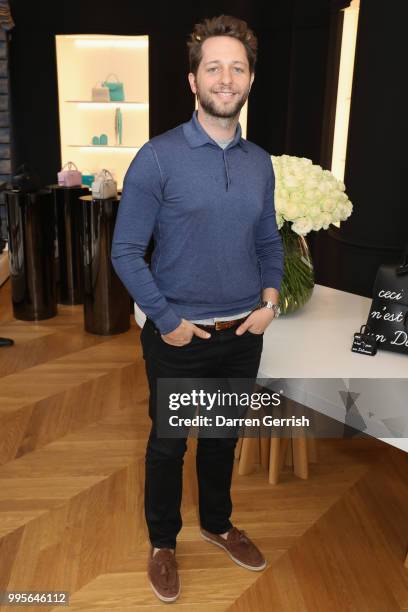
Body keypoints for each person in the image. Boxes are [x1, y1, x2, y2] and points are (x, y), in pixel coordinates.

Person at [111, 14, 284, 604]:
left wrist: (271, 299)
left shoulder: (260, 162)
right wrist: (168, 321)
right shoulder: (157, 159)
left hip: (244, 330)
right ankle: (163, 542)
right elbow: (126, 252)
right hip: (180, 335)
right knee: (168, 444)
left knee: (221, 438)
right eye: (214, 67)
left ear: (250, 80)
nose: (225, 77)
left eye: (237, 67)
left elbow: (269, 240)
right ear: (193, 80)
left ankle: (217, 523)